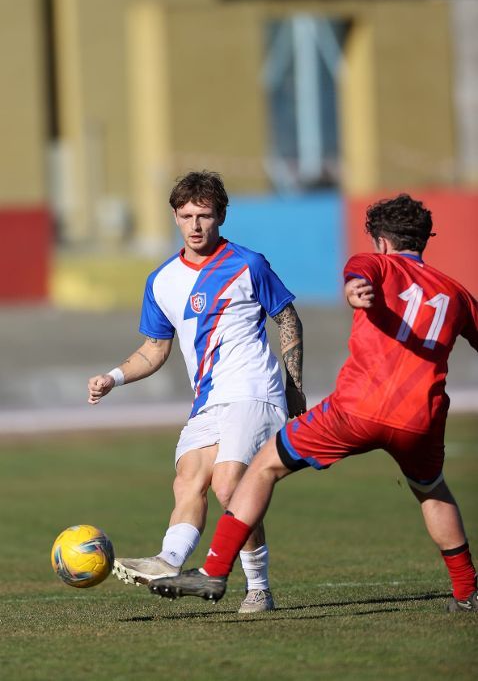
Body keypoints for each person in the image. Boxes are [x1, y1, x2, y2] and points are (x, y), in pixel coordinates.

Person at [149, 193, 478, 613]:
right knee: (433, 491)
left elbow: (358, 275)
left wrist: (354, 291)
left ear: (380, 241)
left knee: (262, 467)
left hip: (356, 410)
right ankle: (467, 593)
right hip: (420, 419)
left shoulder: (372, 263)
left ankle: (214, 570)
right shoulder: (456, 294)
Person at [87, 170, 306, 614]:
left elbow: (288, 319)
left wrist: (295, 389)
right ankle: (168, 560)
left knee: (229, 484)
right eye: (186, 216)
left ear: (221, 216)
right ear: (175, 217)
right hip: (208, 400)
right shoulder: (161, 280)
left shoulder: (248, 264)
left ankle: (258, 588)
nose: (195, 225)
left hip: (254, 390)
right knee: (188, 477)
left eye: (204, 215)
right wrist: (113, 377)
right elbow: (154, 349)